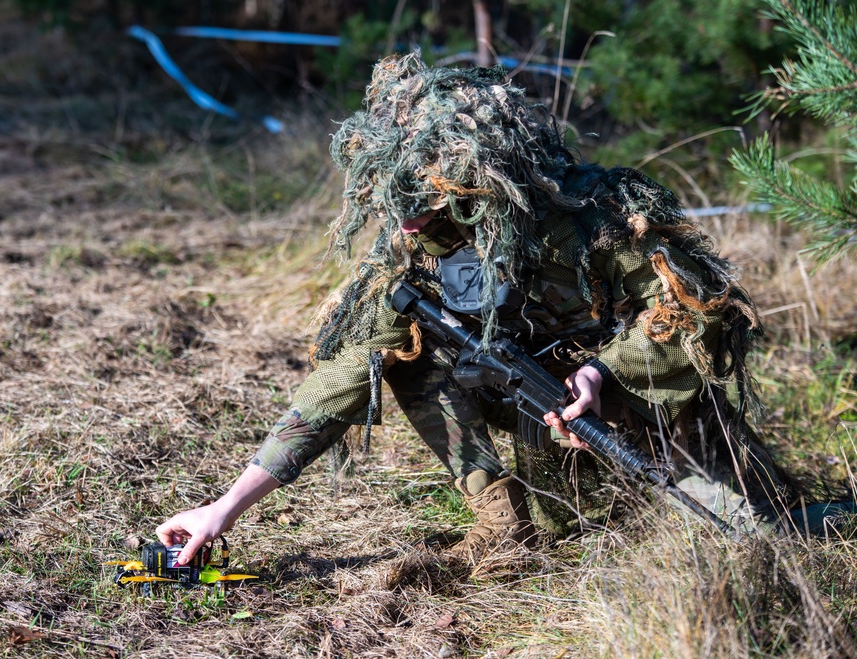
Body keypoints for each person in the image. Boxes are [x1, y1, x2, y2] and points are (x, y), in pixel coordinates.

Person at [156, 53, 803, 566]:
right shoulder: (417, 247)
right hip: (537, 426)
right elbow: (350, 372)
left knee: (756, 529)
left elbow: (697, 308)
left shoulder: (593, 214)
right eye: (402, 210)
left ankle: (635, 503)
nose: (412, 227)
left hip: (641, 414)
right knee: (410, 350)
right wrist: (228, 505)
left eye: (431, 208)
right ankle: (502, 521)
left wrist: (602, 374)